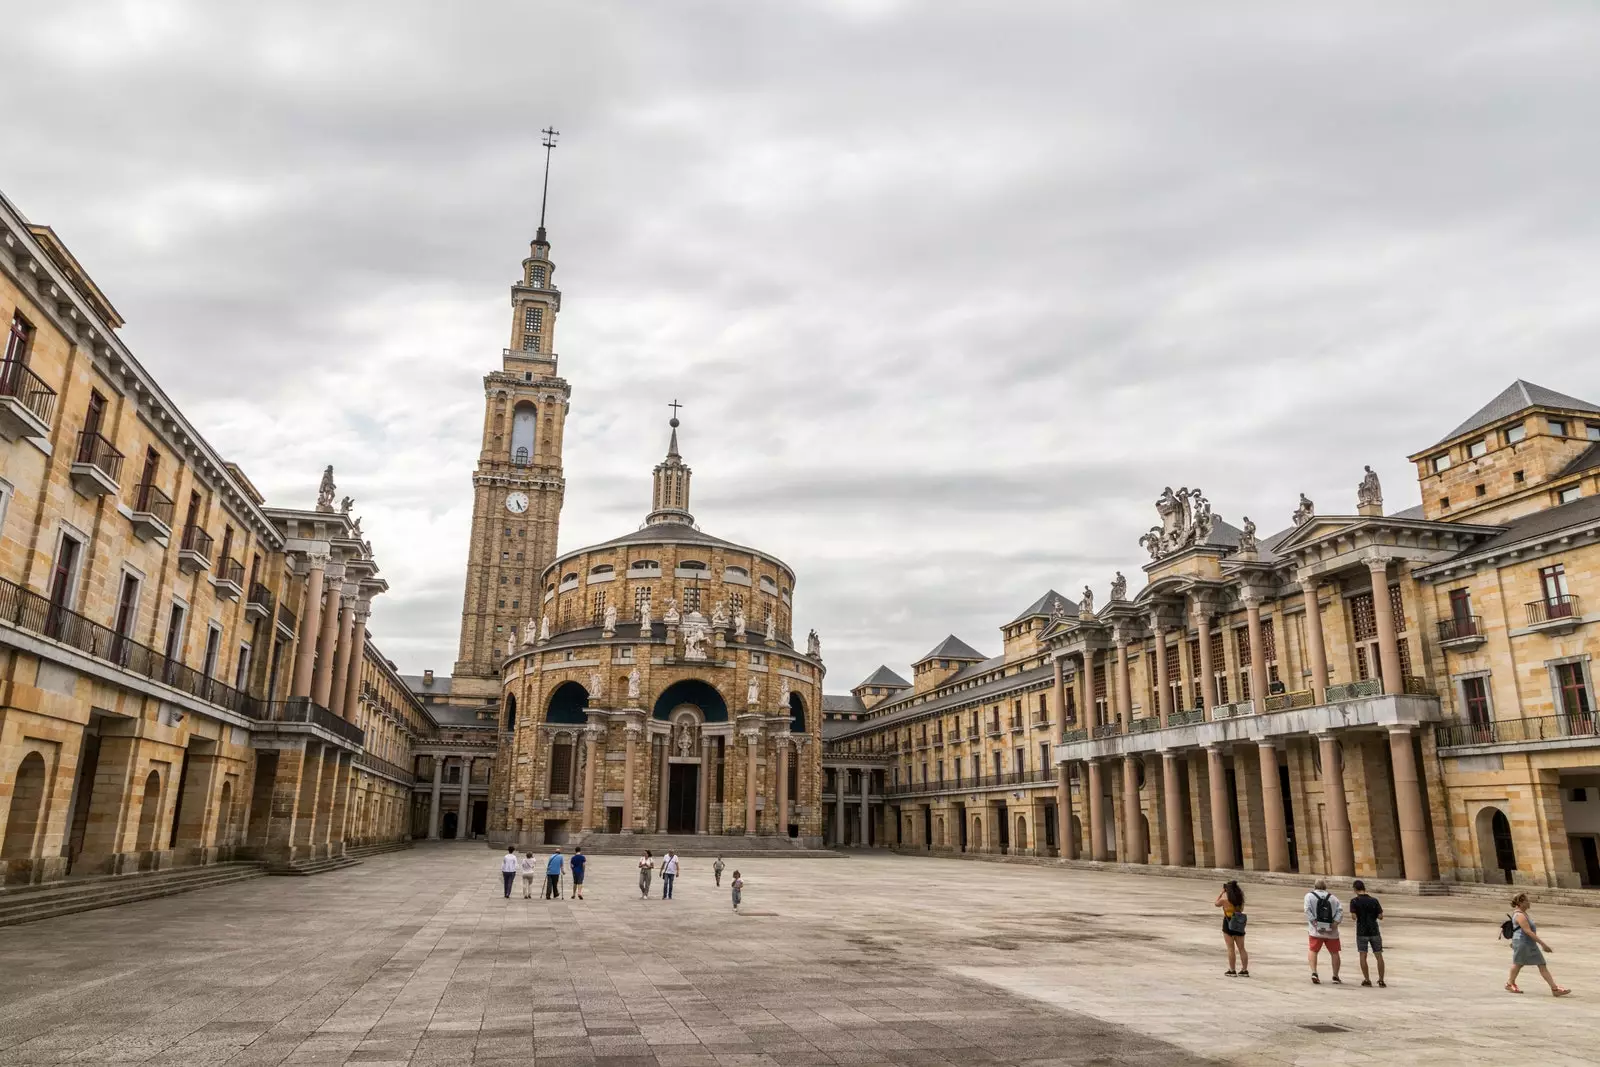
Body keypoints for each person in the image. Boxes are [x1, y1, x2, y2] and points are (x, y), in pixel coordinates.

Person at [1506, 893, 1571, 996]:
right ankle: (1510, 983)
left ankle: (1554, 989)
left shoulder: (1523, 913)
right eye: (1526, 901)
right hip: (1523, 943)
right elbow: (1528, 931)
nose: (1529, 903)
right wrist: (1543, 944)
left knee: (1540, 964)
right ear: (1520, 902)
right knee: (1518, 963)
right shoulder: (1520, 915)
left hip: (1528, 943)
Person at [1305, 879, 1344, 984]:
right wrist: (1335, 923)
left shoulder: (1309, 896)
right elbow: (1340, 911)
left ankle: (1314, 973)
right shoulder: (1333, 897)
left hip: (1316, 930)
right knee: (1334, 952)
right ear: (1325, 887)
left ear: (1315, 886)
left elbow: (1307, 910)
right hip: (1332, 931)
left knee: (1313, 950)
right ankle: (1335, 976)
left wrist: (1314, 922)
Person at [1349, 880, 1385, 987]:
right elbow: (1380, 916)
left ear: (1355, 889)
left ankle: (1367, 979)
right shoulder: (1374, 900)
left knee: (1363, 955)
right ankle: (1381, 980)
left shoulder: (1354, 901)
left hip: (1362, 931)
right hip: (1374, 930)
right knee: (1378, 955)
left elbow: (1354, 917)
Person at [1214, 880, 1249, 977]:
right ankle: (1244, 970)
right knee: (1242, 948)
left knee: (1230, 948)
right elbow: (1241, 910)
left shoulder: (1224, 900)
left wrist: (1221, 893)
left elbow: (1216, 903)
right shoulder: (1240, 899)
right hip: (1239, 922)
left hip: (1228, 922)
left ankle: (1232, 970)